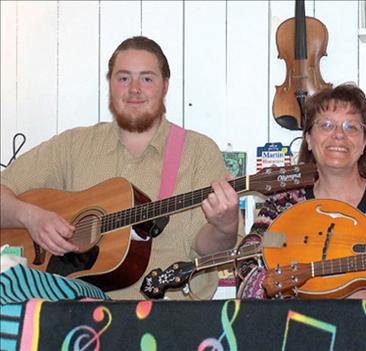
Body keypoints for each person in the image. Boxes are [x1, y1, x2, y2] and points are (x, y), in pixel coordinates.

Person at [0, 36, 244, 300]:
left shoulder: (198, 152)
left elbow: (209, 249)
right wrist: (31, 217)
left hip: (169, 320)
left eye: (147, 78)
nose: (134, 89)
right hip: (76, 319)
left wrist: (225, 226)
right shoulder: (72, 146)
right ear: (111, 85)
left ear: (165, 86)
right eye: (124, 78)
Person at [237, 83, 366, 300]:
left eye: (351, 127)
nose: (338, 135)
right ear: (308, 139)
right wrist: (329, 291)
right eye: (326, 125)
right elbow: (251, 264)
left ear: (364, 143)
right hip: (301, 330)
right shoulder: (283, 205)